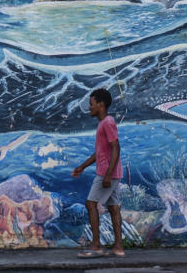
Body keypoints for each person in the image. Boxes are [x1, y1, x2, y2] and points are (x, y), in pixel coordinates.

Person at [72, 88, 125, 259]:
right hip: (112, 172)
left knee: (90, 204)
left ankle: (96, 246)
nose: (89, 108)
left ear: (101, 105)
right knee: (113, 208)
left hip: (107, 173)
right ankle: (118, 248)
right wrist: (82, 166)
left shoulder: (108, 122)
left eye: (91, 104)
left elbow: (116, 147)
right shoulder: (103, 124)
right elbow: (100, 152)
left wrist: (108, 175)